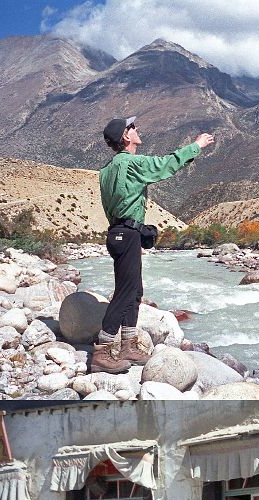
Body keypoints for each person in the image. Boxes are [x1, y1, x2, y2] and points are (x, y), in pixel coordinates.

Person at [90, 116, 213, 374]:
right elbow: (164, 165)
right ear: (126, 137)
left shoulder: (106, 170)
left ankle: (128, 345)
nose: (137, 129)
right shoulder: (132, 163)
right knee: (125, 293)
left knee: (134, 291)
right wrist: (196, 146)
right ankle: (102, 352)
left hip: (118, 233)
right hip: (127, 235)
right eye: (132, 127)